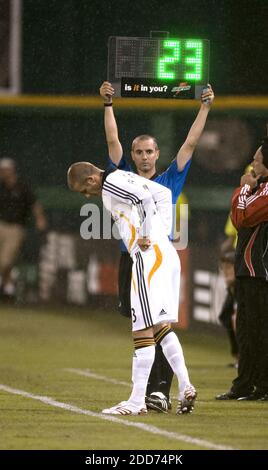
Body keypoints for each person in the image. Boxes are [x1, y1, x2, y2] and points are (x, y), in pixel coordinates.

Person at [99, 80, 214, 412]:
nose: (145, 157)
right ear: (133, 155)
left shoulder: (168, 180)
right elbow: (112, 139)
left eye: (150, 151)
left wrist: (204, 108)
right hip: (130, 259)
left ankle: (157, 391)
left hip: (155, 260)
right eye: (139, 152)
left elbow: (191, 143)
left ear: (157, 154)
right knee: (147, 323)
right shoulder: (123, 177)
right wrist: (108, 105)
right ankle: (159, 389)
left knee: (152, 323)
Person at [67, 161, 197, 415]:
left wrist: (147, 234)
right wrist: (163, 233)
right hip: (165, 253)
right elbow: (162, 194)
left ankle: (137, 401)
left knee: (141, 330)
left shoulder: (112, 184)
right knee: (160, 327)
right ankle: (186, 385)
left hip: (148, 258)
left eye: (83, 189)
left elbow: (147, 201)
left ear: (92, 179)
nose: (85, 195)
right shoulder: (124, 176)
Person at [216, 137, 268, 401]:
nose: (252, 166)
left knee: (258, 329)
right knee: (248, 329)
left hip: (260, 272)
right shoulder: (261, 188)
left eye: (257, 161)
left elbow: (241, 218)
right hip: (250, 271)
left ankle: (260, 384)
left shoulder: (264, 191)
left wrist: (243, 190)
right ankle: (246, 384)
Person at [0, 158, 47, 299]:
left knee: (5, 260)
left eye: (5, 169)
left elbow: (34, 204)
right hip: (1, 225)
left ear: (12, 170)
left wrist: (40, 219)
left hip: (16, 228)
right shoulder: (1, 187)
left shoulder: (22, 187)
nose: (2, 172)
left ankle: (7, 284)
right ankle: (7, 286)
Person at [218, 250, 239, 367]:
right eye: (223, 268)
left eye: (228, 268)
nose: (225, 272)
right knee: (226, 316)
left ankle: (246, 358)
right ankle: (238, 357)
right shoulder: (232, 287)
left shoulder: (245, 286)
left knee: (236, 319)